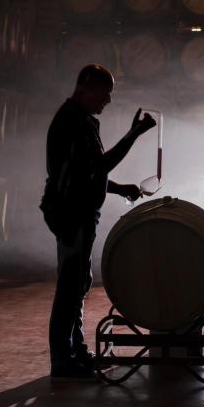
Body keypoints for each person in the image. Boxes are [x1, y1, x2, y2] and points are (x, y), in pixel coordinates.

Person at [40, 63, 156, 380]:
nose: (108, 101)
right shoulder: (73, 122)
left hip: (74, 210)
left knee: (77, 283)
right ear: (86, 89)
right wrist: (135, 133)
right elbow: (100, 165)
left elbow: (87, 172)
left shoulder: (80, 120)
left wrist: (119, 189)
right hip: (71, 213)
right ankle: (63, 362)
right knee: (69, 287)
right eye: (105, 94)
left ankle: (76, 353)